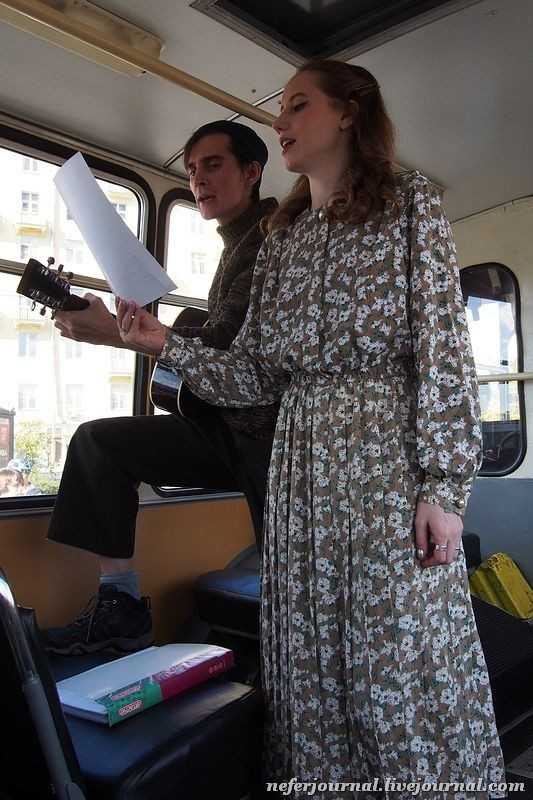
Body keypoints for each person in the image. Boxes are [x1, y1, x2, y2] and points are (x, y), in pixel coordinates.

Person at [114, 60, 505, 796]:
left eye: (297, 105)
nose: (280, 121)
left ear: (350, 112)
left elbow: (445, 350)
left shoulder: (409, 205)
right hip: (299, 469)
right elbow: (255, 376)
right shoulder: (280, 237)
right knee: (309, 658)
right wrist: (161, 343)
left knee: (397, 652)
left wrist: (444, 488)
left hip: (384, 460)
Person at [44, 120, 278, 656]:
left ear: (252, 171)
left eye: (213, 165)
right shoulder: (235, 243)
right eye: (191, 170)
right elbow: (213, 341)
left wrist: (118, 333)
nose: (198, 180)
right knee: (98, 444)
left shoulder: (270, 239)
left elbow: (227, 345)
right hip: (226, 427)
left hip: (261, 435)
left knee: (280, 566)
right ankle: (120, 604)